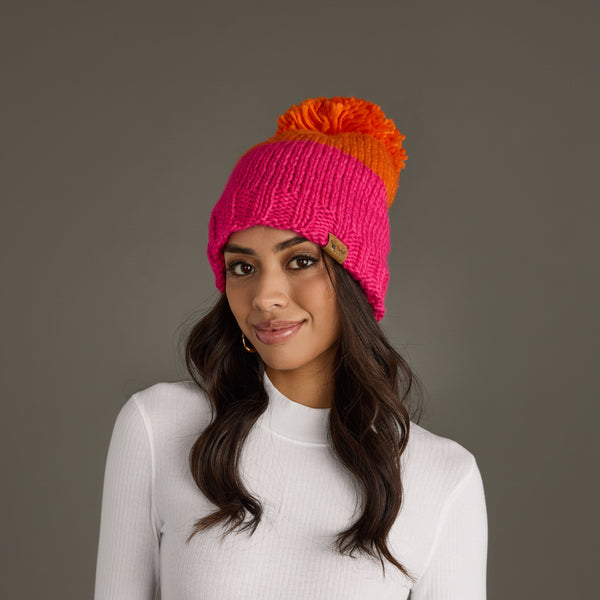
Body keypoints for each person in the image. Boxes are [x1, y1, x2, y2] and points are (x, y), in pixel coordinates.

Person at [94, 96, 488, 599]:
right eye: (243, 267)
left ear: (354, 278)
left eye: (300, 260)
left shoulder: (442, 476)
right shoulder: (158, 427)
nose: (265, 297)